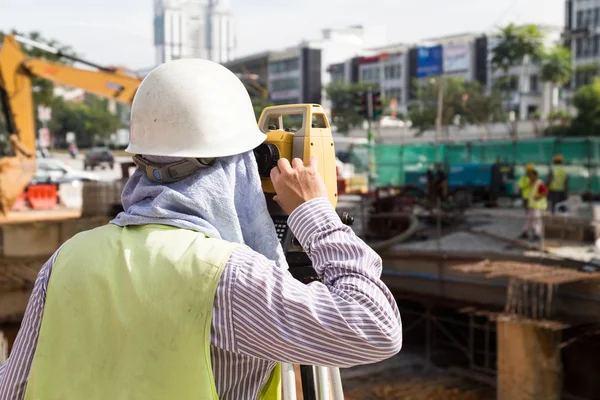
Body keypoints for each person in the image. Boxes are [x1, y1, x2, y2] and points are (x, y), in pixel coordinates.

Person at [0, 59, 402, 399]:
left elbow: (13, 387)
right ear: (239, 165)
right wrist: (314, 212)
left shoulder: (68, 259)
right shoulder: (228, 277)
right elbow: (376, 327)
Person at [519, 169, 548, 241]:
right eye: (529, 176)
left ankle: (537, 234)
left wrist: (538, 197)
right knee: (529, 220)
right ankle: (525, 232)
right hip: (533, 206)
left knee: (536, 221)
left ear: (535, 176)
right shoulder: (532, 183)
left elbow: (545, 192)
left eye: (531, 176)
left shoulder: (539, 183)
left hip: (538, 206)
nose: (529, 177)